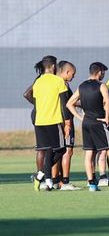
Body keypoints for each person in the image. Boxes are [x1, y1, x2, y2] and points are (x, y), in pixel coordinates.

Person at [67, 62, 109, 191]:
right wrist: (107, 117)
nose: (104, 74)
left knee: (89, 153)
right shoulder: (102, 86)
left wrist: (80, 118)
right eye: (103, 72)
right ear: (99, 72)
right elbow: (107, 101)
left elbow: (69, 103)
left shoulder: (82, 86)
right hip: (99, 122)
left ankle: (92, 184)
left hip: (86, 123)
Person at [31, 55, 69, 191]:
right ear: (53, 66)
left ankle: (46, 180)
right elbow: (64, 105)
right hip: (54, 121)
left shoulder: (37, 82)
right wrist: (68, 123)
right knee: (61, 149)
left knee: (48, 150)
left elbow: (35, 103)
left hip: (39, 122)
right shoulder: (58, 81)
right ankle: (43, 175)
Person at [56, 61, 77, 190]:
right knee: (67, 151)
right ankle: (64, 182)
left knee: (58, 151)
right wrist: (68, 122)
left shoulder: (53, 83)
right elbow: (66, 104)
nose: (73, 77)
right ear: (67, 72)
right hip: (64, 121)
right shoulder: (62, 84)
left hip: (54, 120)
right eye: (72, 74)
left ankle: (55, 180)